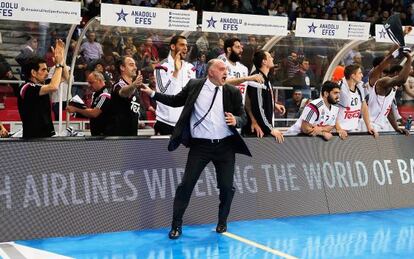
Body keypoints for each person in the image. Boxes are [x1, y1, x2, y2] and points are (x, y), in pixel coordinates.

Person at [140, 59, 251, 239]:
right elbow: (175, 101)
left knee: (226, 187)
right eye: (222, 69)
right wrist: (153, 94)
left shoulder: (232, 92)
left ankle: (222, 221)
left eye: (227, 70)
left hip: (225, 147)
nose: (226, 73)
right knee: (186, 185)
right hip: (200, 146)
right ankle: (176, 225)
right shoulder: (194, 86)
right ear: (211, 72)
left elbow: (243, 116)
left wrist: (236, 120)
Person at [17, 40, 65, 138]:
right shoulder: (27, 88)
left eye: (47, 69)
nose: (47, 73)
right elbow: (54, 86)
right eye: (43, 70)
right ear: (33, 73)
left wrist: (61, 58)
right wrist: (58, 65)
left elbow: (63, 78)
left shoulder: (42, 86)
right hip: (33, 138)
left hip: (46, 136)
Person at [154, 35, 195, 135]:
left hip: (185, 123)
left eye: (186, 45)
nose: (185, 48)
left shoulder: (190, 68)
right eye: (182, 45)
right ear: (173, 47)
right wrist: (176, 71)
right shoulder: (161, 67)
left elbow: (193, 94)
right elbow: (164, 94)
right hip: (165, 123)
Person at [244, 50, 284, 143]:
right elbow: (258, 107)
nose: (272, 58)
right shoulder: (257, 78)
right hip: (258, 131)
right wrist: (270, 129)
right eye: (270, 57)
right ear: (264, 61)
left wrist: (274, 104)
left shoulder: (266, 78)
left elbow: (262, 99)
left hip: (264, 129)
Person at [365, 56, 411, 134]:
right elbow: (402, 79)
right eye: (404, 74)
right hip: (370, 125)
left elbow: (388, 110)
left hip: (381, 125)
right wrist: (409, 59)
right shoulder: (382, 82)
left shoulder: (393, 87)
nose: (406, 78)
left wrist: (396, 127)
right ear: (396, 74)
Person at [335, 64, 376, 139]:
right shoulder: (339, 88)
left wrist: (369, 127)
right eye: (360, 73)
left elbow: (364, 107)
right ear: (353, 76)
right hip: (339, 131)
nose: (362, 75)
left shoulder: (360, 86)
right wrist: (339, 129)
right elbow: (332, 110)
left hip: (354, 130)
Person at [106, 56, 144, 136]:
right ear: (122, 67)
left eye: (135, 65)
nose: (135, 68)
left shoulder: (135, 88)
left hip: (132, 135)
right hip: (119, 136)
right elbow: (123, 92)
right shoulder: (118, 85)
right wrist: (134, 85)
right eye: (131, 65)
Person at [220, 37, 264, 104]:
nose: (241, 50)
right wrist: (247, 78)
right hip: (223, 108)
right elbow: (223, 82)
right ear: (229, 49)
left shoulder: (243, 68)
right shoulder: (220, 64)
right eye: (237, 47)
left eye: (241, 47)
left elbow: (245, 93)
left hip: (239, 110)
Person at [66, 72, 111, 136]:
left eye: (91, 82)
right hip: (97, 135)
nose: (89, 85)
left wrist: (76, 109)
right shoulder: (96, 94)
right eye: (88, 83)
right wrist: (75, 112)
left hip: (105, 136)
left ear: (100, 81)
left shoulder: (105, 95)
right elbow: (91, 113)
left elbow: (94, 113)